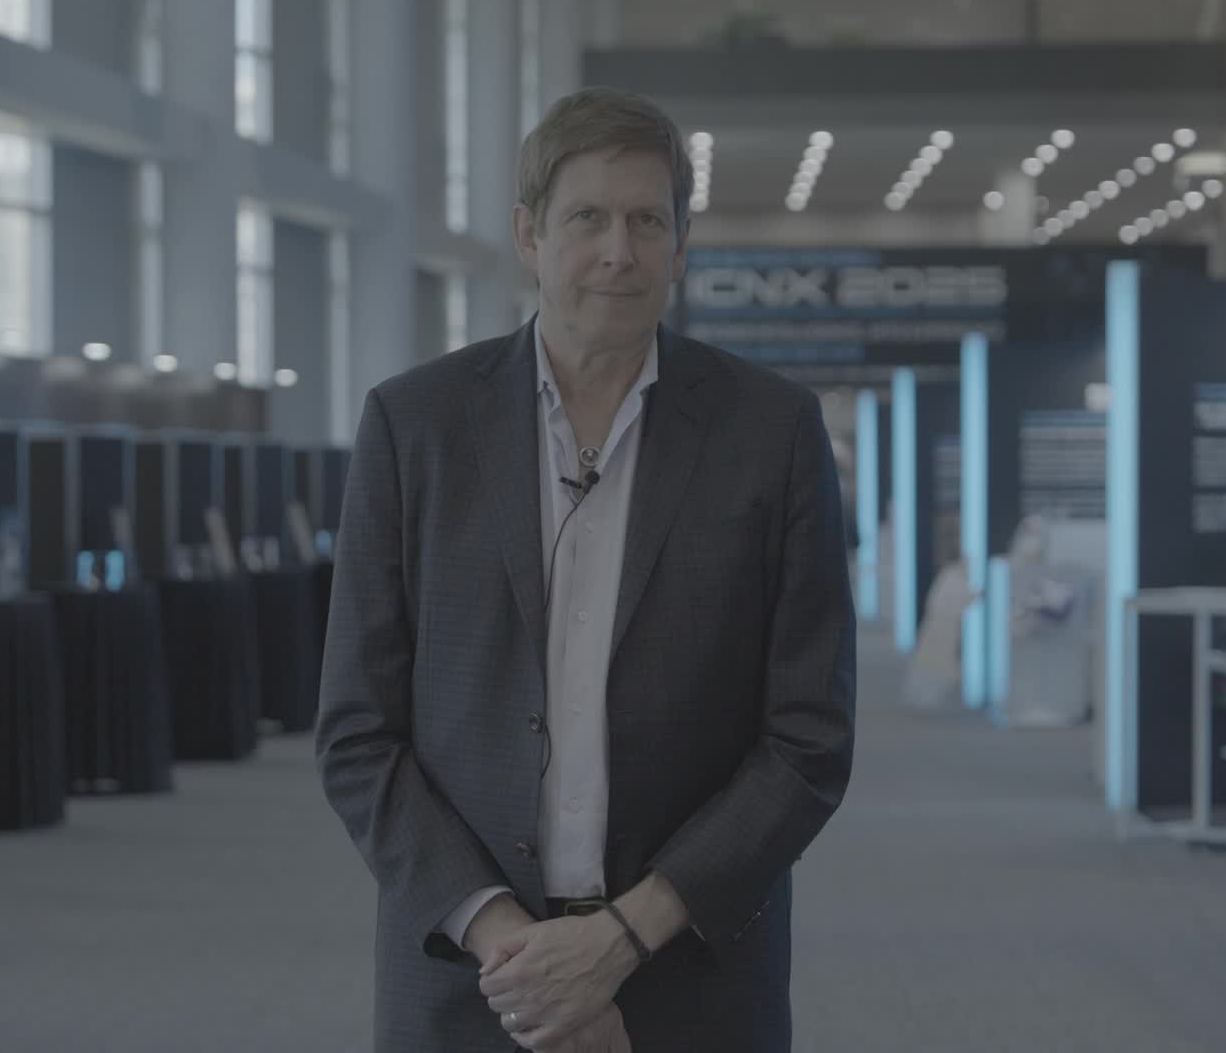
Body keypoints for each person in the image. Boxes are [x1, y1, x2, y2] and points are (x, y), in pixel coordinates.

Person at [315, 86, 857, 1052]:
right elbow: (358, 733)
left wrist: (618, 942)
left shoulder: (771, 433)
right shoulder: (414, 426)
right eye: (588, 219)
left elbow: (808, 739)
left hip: (692, 976)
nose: (620, 251)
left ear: (681, 246)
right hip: (469, 980)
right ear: (529, 234)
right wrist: (517, 952)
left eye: (648, 221)